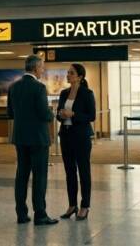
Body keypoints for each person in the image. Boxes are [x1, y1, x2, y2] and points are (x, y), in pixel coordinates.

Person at [6, 55, 58, 226]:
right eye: (42, 67)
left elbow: (10, 114)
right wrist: (53, 114)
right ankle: (40, 214)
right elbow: (44, 114)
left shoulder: (13, 87)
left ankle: (21, 214)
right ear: (36, 68)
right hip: (38, 139)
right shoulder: (39, 88)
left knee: (21, 175)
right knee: (39, 176)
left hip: (20, 138)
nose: (43, 70)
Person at [56, 64, 96, 221]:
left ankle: (85, 206)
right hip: (65, 136)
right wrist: (61, 114)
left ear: (80, 77)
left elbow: (91, 116)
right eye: (67, 73)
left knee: (84, 171)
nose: (68, 75)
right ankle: (72, 205)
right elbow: (59, 113)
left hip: (81, 137)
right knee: (69, 172)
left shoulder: (87, 93)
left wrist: (73, 114)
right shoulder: (64, 93)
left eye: (71, 73)